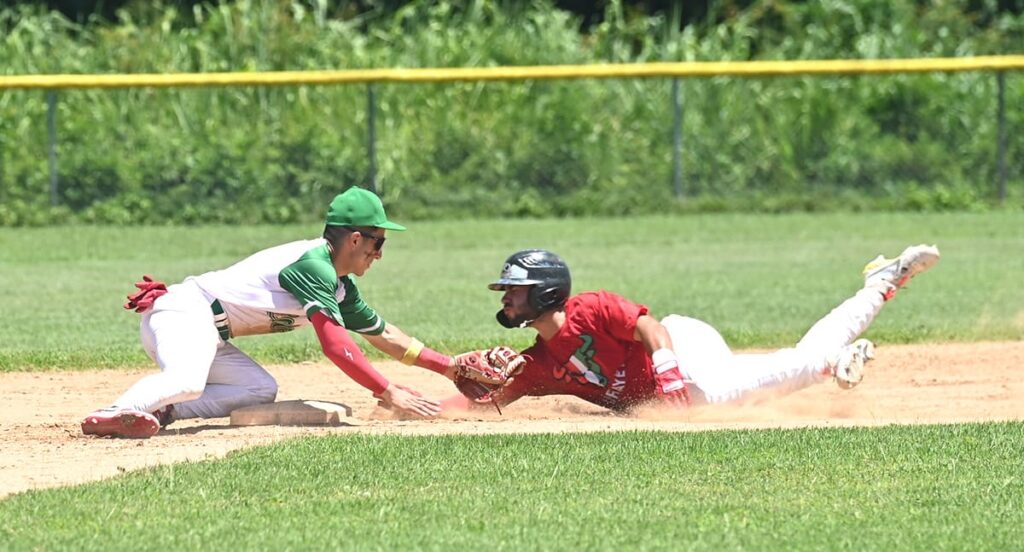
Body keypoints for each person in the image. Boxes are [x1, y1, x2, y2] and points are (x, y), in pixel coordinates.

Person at [82, 187, 460, 438]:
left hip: (207, 331)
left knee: (259, 389)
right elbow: (335, 346)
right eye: (379, 242)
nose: (379, 254)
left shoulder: (339, 286)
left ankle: (163, 411)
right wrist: (388, 391)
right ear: (355, 239)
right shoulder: (315, 266)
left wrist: (452, 368)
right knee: (189, 380)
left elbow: (386, 336)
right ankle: (115, 411)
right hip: (184, 314)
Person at [443, 245, 940, 412]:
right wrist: (451, 388)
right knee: (788, 363)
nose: (506, 297)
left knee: (727, 392)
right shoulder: (538, 363)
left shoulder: (590, 309)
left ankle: (832, 361)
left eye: (515, 288)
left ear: (546, 291)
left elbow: (650, 328)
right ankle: (881, 283)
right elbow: (480, 407)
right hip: (682, 369)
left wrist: (668, 374)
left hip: (683, 353)